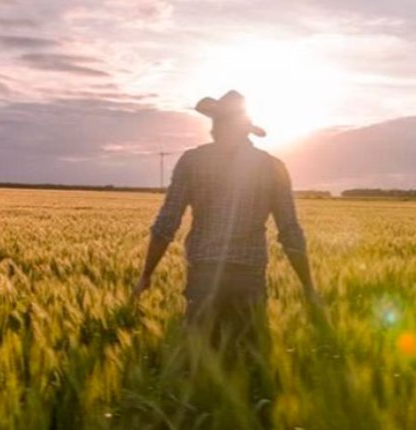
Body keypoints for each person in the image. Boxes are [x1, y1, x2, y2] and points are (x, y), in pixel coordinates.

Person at [133, 90, 322, 349]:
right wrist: (308, 287)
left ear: (220, 125)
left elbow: (167, 223)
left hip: (204, 277)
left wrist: (146, 275)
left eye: (216, 121)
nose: (213, 128)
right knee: (250, 359)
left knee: (199, 359)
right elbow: (290, 231)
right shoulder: (273, 167)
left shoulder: (192, 162)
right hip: (249, 278)